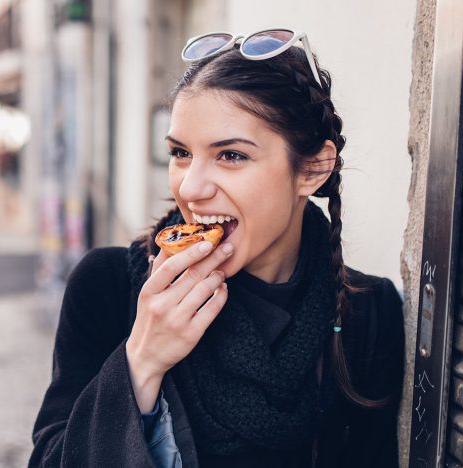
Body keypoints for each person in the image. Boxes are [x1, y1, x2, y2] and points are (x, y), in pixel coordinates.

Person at [28, 30, 404, 468]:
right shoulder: (108, 286)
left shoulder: (366, 313)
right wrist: (142, 361)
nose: (190, 188)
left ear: (313, 169)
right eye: (181, 152)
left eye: (231, 156)